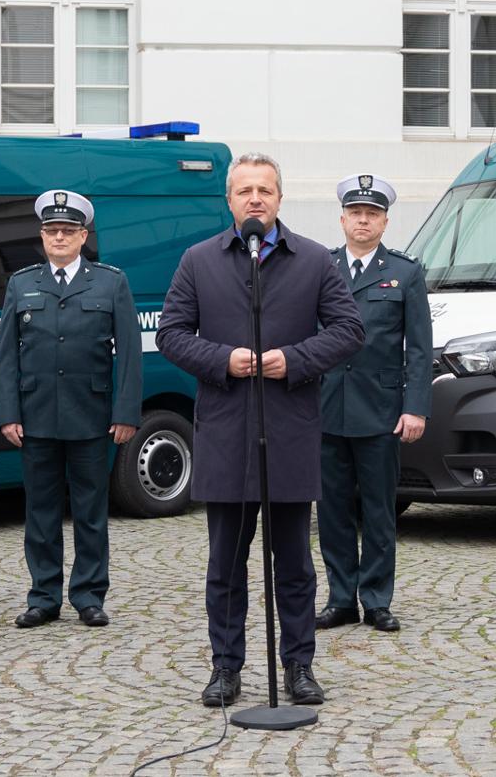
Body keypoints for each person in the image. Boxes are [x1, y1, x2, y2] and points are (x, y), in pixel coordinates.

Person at [156, 153, 364, 707]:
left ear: (279, 198)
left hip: (290, 434)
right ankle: (226, 668)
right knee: (225, 565)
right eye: (244, 190)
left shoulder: (315, 260)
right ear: (229, 200)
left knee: (293, 563)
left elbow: (349, 330)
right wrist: (222, 359)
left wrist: (293, 359)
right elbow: (171, 334)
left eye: (264, 190)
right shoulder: (199, 261)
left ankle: (299, 666)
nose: (255, 199)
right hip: (226, 434)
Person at [0, 190, 143, 629]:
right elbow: (7, 357)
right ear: (42, 236)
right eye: (51, 231)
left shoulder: (110, 282)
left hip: (90, 414)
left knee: (91, 512)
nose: (59, 237)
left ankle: (89, 595)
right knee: (39, 512)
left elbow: (129, 354)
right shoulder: (22, 283)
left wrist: (126, 412)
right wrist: (8, 413)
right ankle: (43, 596)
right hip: (36, 416)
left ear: (83, 236)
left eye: (67, 231)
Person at [317, 174, 432, 634]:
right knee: (332, 510)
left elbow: (420, 348)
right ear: (342, 218)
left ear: (385, 221)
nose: (363, 221)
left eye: (373, 214)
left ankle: (377, 599)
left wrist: (416, 406)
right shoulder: (321, 269)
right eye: (356, 213)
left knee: (380, 510)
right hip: (327, 407)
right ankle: (341, 597)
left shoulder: (405, 273)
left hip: (382, 411)